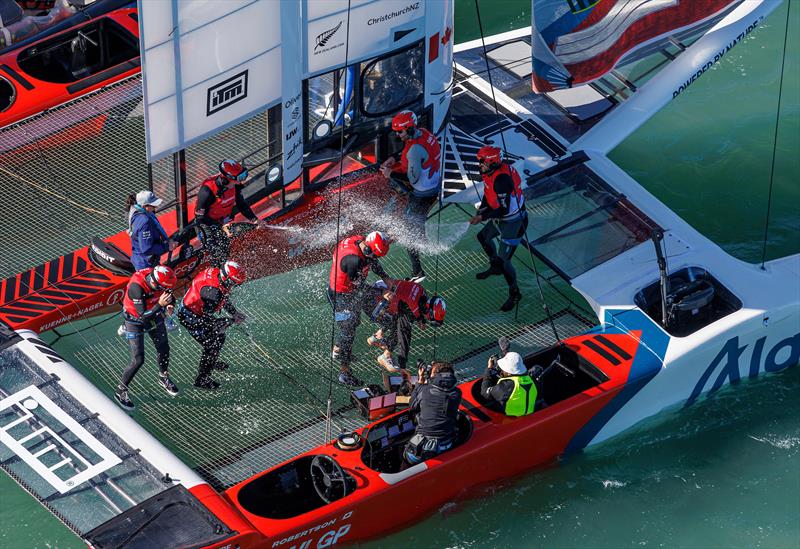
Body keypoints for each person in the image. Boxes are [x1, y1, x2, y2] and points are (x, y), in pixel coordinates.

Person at [379, 110, 442, 279]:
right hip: (434, 186)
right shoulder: (425, 134)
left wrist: (390, 173)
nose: (398, 135)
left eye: (400, 132)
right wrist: (395, 158)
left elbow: (412, 179)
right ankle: (422, 236)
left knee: (408, 232)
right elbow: (414, 154)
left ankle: (418, 272)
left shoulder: (414, 150)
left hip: (422, 194)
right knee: (417, 220)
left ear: (410, 129)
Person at [328, 231, 393, 386]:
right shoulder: (354, 261)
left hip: (352, 289)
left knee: (360, 321)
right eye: (375, 256)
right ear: (369, 250)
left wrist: (385, 277)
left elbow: (372, 262)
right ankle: (344, 371)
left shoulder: (360, 241)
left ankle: (339, 348)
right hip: (341, 296)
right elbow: (360, 288)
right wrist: (381, 292)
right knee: (348, 330)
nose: (376, 260)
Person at [469, 146, 529, 312]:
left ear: (492, 162)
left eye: (482, 162)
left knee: (505, 261)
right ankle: (495, 266)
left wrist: (482, 217)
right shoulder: (489, 172)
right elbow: (488, 194)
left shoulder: (502, 180)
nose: (479, 165)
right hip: (501, 217)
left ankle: (515, 293)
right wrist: (482, 209)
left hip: (514, 223)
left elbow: (503, 209)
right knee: (483, 237)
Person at [115, 265, 179, 411]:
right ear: (154, 283)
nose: (165, 290)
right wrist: (160, 304)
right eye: (162, 288)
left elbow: (170, 296)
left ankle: (163, 377)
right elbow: (143, 316)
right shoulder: (136, 287)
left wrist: (170, 305)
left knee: (164, 348)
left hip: (154, 313)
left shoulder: (161, 280)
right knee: (138, 360)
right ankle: (120, 391)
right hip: (135, 319)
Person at [176, 260, 247, 390]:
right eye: (234, 284)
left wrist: (234, 313)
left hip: (193, 309)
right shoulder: (213, 294)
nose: (234, 287)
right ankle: (202, 379)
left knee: (219, 338)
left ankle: (210, 362)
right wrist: (230, 321)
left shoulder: (216, 274)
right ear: (228, 280)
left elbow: (222, 297)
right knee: (212, 344)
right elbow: (208, 319)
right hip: (190, 317)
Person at [366, 279, 446, 389]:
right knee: (402, 327)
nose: (427, 320)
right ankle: (385, 355)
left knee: (399, 314)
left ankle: (378, 336)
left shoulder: (422, 293)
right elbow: (404, 337)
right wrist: (402, 366)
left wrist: (420, 318)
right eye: (429, 318)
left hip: (380, 288)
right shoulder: (410, 309)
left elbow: (412, 301)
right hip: (373, 300)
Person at [194, 159, 260, 267]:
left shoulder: (235, 185)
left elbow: (241, 204)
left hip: (223, 223)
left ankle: (225, 268)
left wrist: (255, 219)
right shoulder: (206, 192)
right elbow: (199, 218)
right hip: (206, 224)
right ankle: (216, 270)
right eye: (240, 178)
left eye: (244, 176)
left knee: (225, 248)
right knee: (217, 252)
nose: (241, 181)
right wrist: (220, 227)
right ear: (227, 179)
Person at [403, 361, 462, 466]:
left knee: (405, 457)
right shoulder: (457, 393)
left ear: (435, 376)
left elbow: (412, 406)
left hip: (421, 450)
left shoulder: (425, 391)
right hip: (446, 446)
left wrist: (420, 382)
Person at [126, 190, 175, 271]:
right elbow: (146, 249)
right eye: (153, 205)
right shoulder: (145, 222)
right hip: (145, 265)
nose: (155, 207)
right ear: (145, 206)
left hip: (139, 258)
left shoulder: (138, 212)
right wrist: (167, 247)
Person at [481, 351, 537, 416]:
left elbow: (484, 393)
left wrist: (488, 369)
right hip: (528, 416)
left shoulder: (507, 386)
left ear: (509, 372)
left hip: (510, 420)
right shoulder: (531, 379)